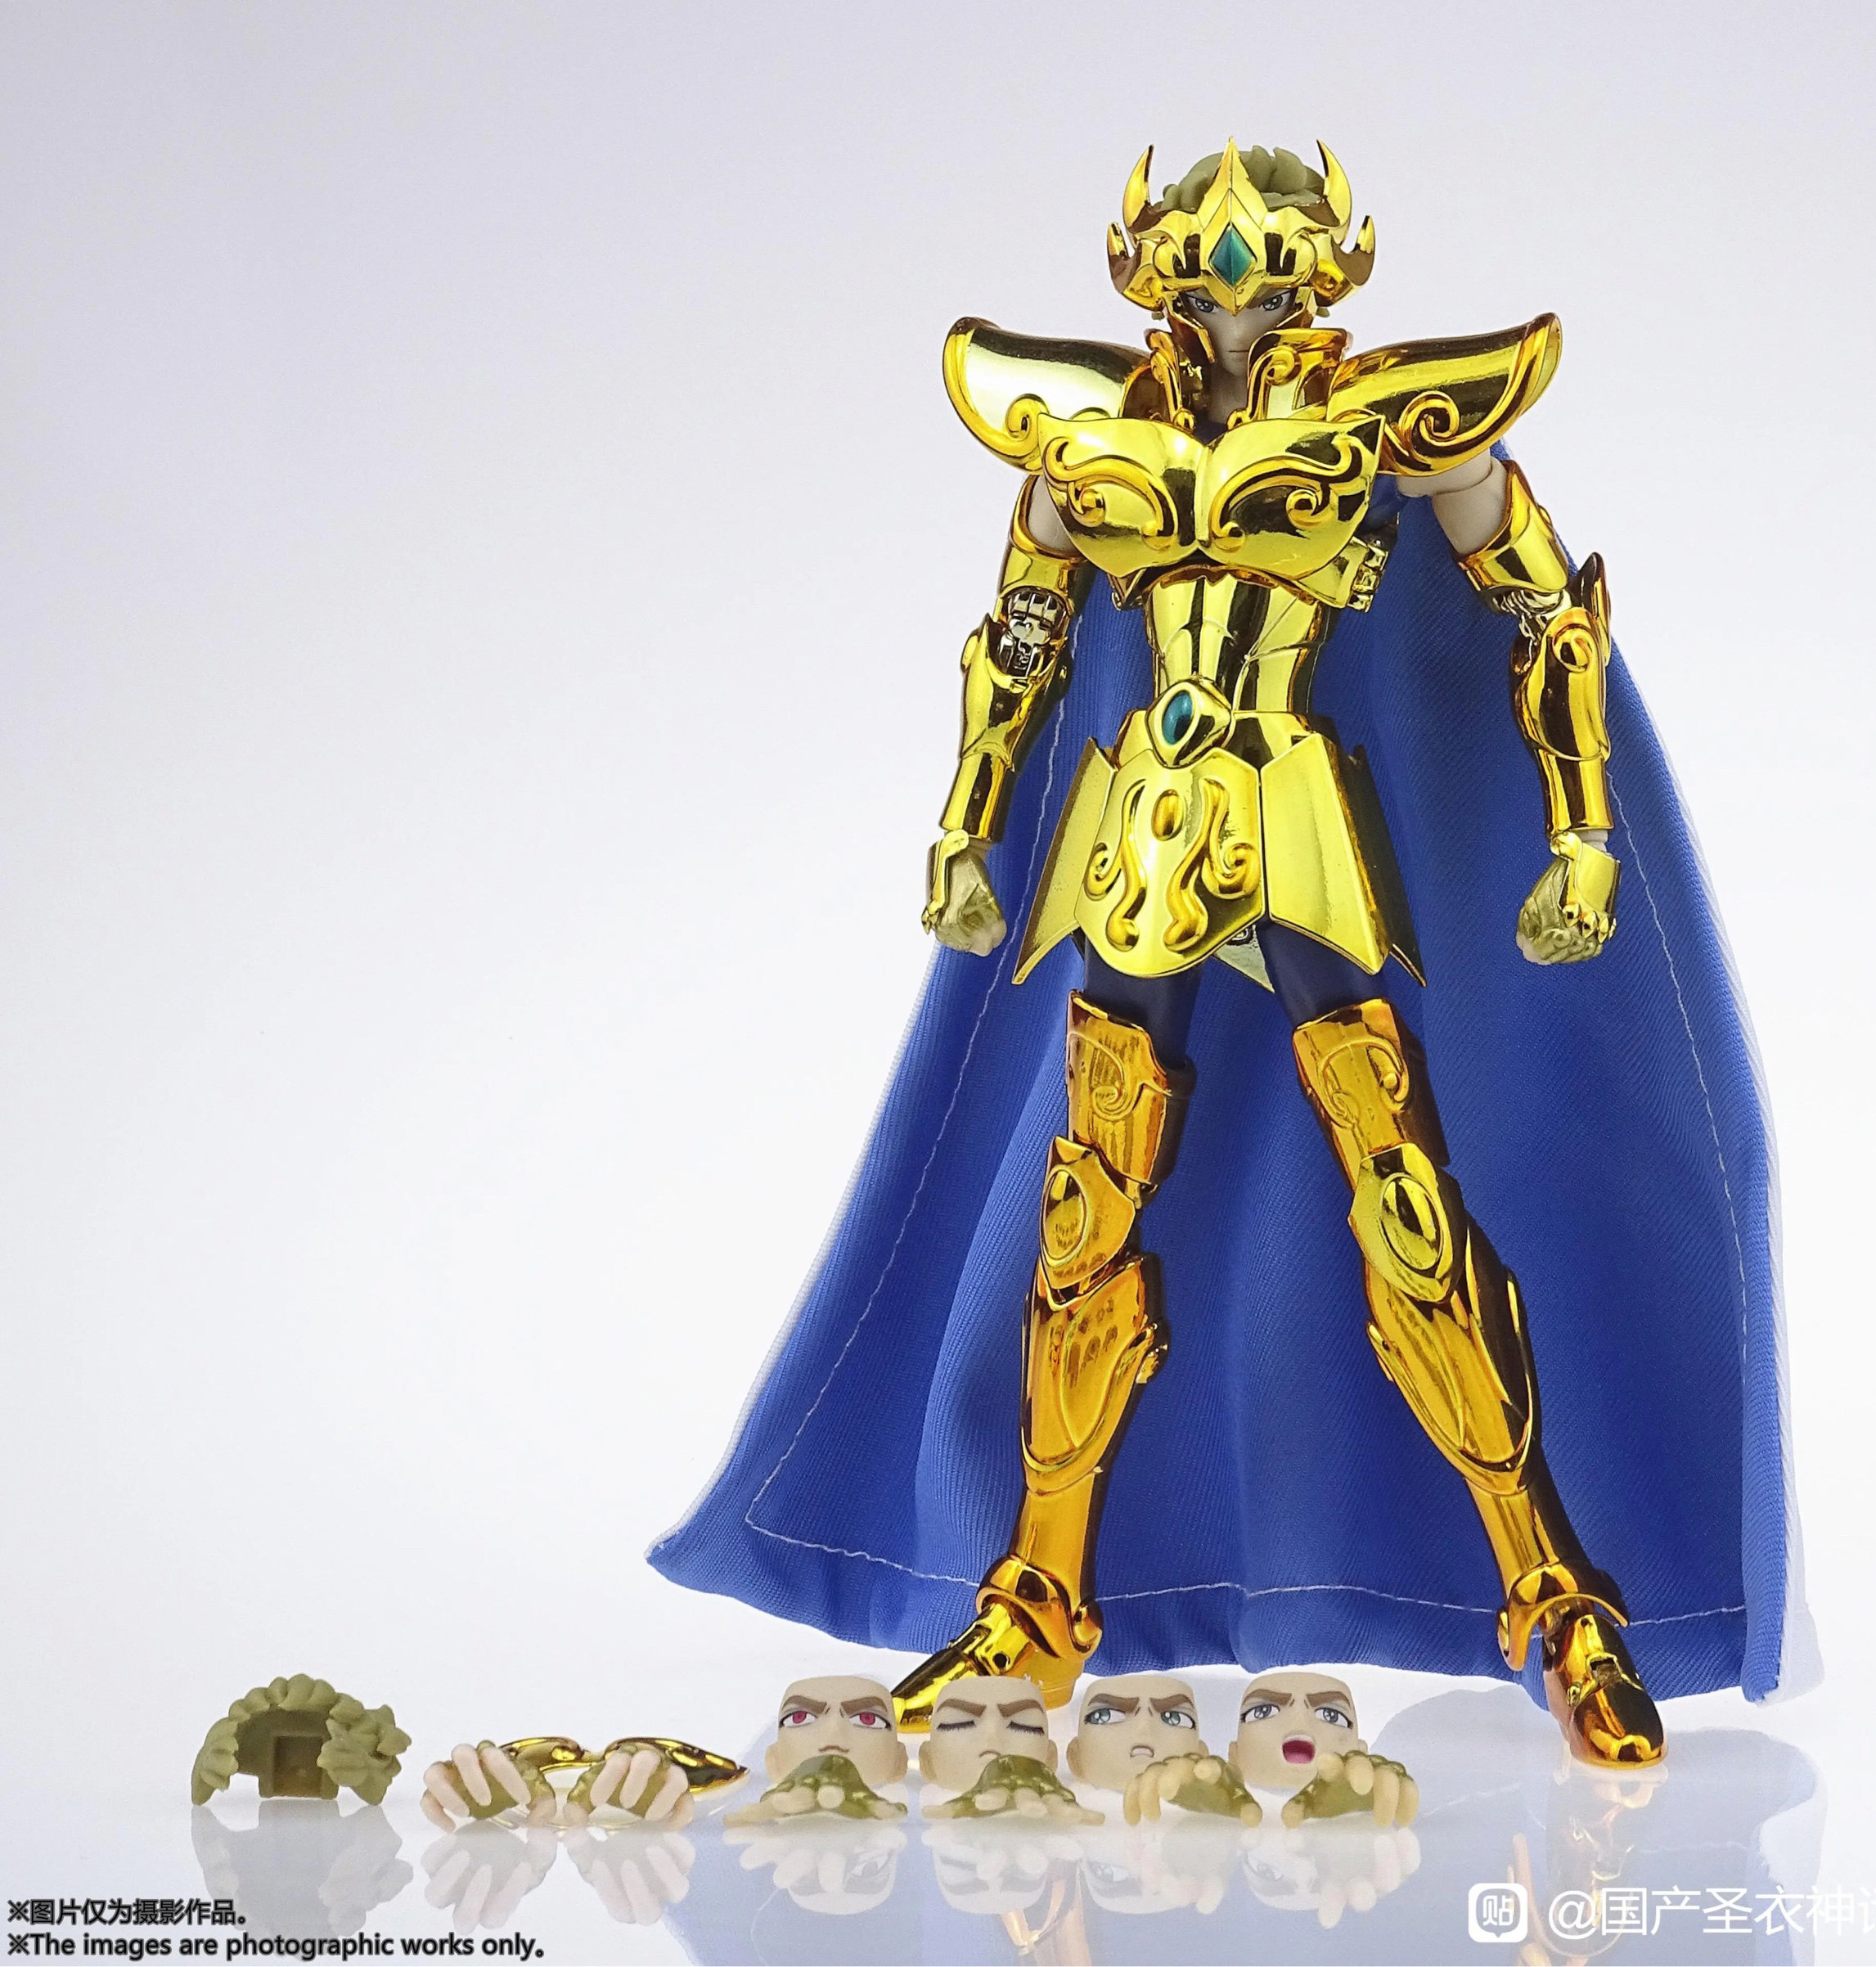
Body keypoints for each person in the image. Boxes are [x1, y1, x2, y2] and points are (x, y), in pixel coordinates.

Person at [652, 142, 1815, 1767]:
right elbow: (1023, 638)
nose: (1235, 299)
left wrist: (1583, 831)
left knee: (1401, 1190)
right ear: (1149, 269)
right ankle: (1036, 1593)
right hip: (1141, 819)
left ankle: (1552, 1591)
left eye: (1267, 270)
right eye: (1202, 271)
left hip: (1302, 814)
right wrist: (967, 827)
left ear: (1326, 269)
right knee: (1085, 1192)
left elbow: (1546, 617)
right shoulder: (1083, 430)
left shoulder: (1394, 422)